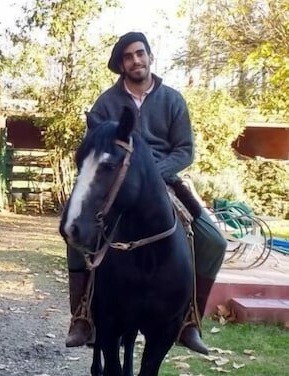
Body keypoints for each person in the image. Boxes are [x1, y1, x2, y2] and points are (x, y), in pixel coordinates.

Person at [66, 30, 227, 355]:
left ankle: (189, 320)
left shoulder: (173, 100)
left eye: (140, 53)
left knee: (213, 241)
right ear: (121, 64)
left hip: (165, 182)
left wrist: (156, 173)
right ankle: (82, 316)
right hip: (117, 188)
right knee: (75, 233)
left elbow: (184, 150)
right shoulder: (107, 103)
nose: (136, 60)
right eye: (128, 56)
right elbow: (95, 149)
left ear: (151, 57)